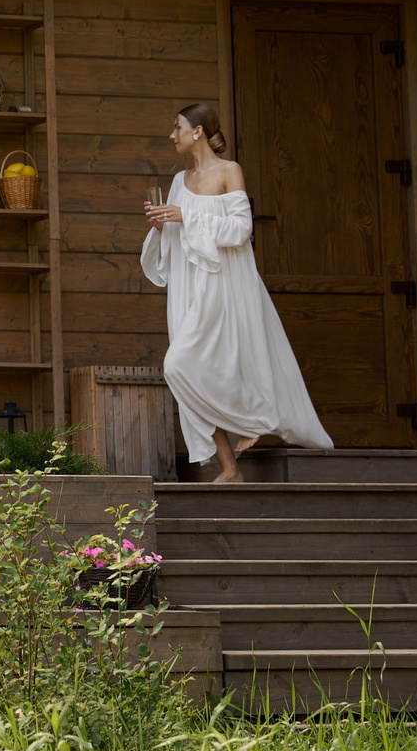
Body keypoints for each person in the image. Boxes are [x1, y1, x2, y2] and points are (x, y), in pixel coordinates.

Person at [140, 103, 331, 483]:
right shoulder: (178, 181)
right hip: (189, 288)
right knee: (187, 369)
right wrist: (162, 224)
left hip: (222, 286)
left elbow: (241, 229)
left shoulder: (229, 171)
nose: (172, 135)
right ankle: (230, 468)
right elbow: (180, 239)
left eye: (178, 127)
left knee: (193, 364)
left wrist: (186, 216)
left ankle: (251, 420)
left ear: (197, 131)